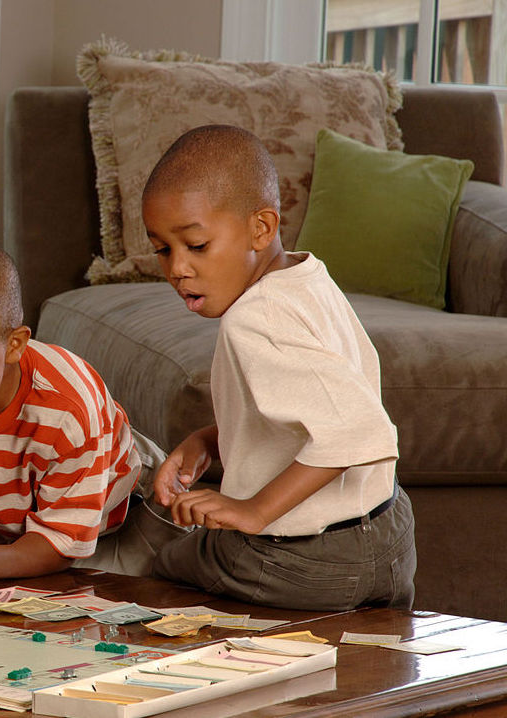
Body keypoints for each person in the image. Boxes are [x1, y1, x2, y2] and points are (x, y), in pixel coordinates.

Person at [143, 125, 417, 611]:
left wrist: (252, 511)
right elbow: (324, 407)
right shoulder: (307, 276)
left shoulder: (253, 318)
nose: (177, 268)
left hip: (304, 557)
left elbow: (357, 432)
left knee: (164, 566)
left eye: (196, 246)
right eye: (164, 249)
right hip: (389, 535)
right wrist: (209, 439)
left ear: (261, 228)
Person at [0, 237, 181, 580]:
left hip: (126, 513)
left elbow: (61, 542)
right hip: (19, 522)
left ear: (15, 345)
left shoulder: (67, 410)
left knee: (117, 598)